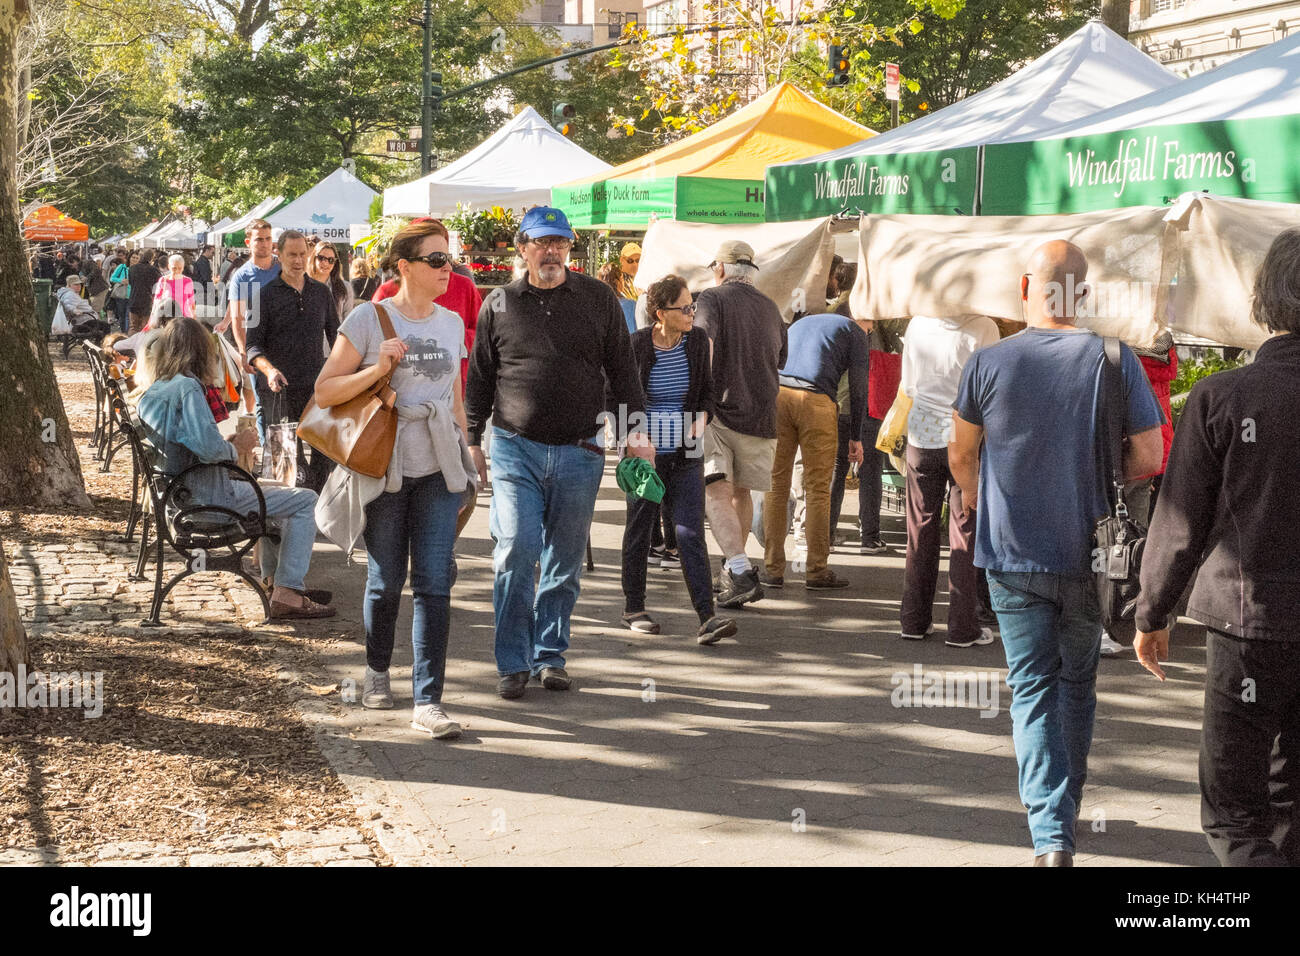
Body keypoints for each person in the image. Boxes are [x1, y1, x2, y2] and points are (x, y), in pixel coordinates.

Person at [949, 240, 1164, 866]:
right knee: (1077, 684)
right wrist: (1101, 482)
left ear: (1025, 287)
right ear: (1084, 293)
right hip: (1092, 557)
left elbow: (961, 455)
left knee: (1032, 689)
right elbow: (1150, 456)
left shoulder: (988, 362)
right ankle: (1064, 819)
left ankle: (1050, 839)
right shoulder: (1114, 358)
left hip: (1010, 554)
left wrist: (980, 501)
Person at [1134, 230, 1300, 866]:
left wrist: (1152, 613)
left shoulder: (1223, 397)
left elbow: (1180, 522)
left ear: (1263, 300)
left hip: (1247, 624)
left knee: (1233, 810)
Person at [465, 206, 652, 701]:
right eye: (541, 242)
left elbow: (623, 371)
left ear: (570, 248)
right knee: (515, 550)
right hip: (513, 448)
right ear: (522, 247)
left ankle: (550, 655)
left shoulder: (598, 299)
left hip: (580, 450)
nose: (551, 252)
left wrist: (636, 433)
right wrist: (471, 441)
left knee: (563, 564)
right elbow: (480, 377)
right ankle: (513, 661)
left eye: (560, 243)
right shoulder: (500, 303)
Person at [315, 218, 477, 740]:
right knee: (385, 582)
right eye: (435, 260)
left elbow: (454, 398)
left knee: (434, 582)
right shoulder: (369, 318)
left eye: (449, 259)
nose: (446, 269)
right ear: (404, 266)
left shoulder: (451, 324)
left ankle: (429, 700)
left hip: (438, 468)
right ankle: (377, 671)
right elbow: (324, 393)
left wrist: (468, 452)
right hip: (382, 467)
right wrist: (375, 367)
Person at [135, 318, 334, 620]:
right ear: (201, 351)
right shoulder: (189, 387)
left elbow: (191, 443)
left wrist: (224, 442)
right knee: (305, 500)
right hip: (207, 500)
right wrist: (236, 446)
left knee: (280, 493)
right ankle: (288, 591)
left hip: (180, 495)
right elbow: (210, 450)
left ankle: (275, 582)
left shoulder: (155, 390)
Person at [620, 275, 736, 645]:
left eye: (693, 307)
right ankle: (633, 608)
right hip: (646, 457)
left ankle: (707, 617)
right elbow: (617, 393)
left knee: (689, 532)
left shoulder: (699, 342)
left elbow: (708, 391)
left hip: (686, 453)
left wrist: (704, 416)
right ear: (660, 313)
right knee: (640, 529)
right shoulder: (637, 345)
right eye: (684, 308)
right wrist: (634, 437)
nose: (691, 313)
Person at [694, 240, 787, 609]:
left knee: (715, 491)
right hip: (762, 414)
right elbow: (781, 357)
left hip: (718, 411)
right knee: (742, 493)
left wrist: (699, 398)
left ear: (720, 269)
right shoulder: (771, 308)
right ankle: (736, 568)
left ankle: (738, 569)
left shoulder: (711, 299)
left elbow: (704, 343)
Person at [899, 313, 1001, 646]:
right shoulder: (984, 327)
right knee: (964, 531)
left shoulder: (918, 324)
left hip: (921, 436)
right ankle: (962, 627)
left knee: (920, 529)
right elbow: (993, 387)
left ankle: (913, 622)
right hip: (966, 438)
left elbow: (909, 385)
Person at [761, 308, 870, 591]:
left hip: (779, 395)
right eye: (871, 323)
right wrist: (856, 436)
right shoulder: (857, 334)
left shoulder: (805, 322)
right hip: (816, 401)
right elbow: (859, 389)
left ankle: (772, 569)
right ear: (863, 318)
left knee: (776, 484)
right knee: (818, 489)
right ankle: (816, 571)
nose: (871, 329)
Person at [1100, 332, 1179, 657]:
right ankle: (1136, 617)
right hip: (1153, 448)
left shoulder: (1115, 352)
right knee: (1136, 542)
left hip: (1120, 450)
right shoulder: (1164, 353)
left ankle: (1104, 622)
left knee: (1105, 541)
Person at [245, 230, 338, 493]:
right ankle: (282, 518)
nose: (298, 260)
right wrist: (269, 369)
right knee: (284, 459)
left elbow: (337, 338)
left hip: (315, 388)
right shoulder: (262, 295)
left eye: (301, 254)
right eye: (291, 255)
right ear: (279, 254)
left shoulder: (321, 294)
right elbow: (252, 347)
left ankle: (315, 507)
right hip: (278, 389)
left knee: (323, 453)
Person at [216, 219, 280, 441]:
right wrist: (244, 353)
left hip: (287, 344)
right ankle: (269, 456)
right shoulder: (242, 275)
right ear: (248, 242)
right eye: (259, 239)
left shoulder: (284, 268)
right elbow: (237, 317)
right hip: (259, 349)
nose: (264, 244)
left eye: (268, 239)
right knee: (264, 403)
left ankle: (291, 458)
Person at [55, 275, 111, 340]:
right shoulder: (69, 294)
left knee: (102, 325)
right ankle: (103, 345)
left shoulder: (70, 293)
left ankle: (99, 345)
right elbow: (68, 305)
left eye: (80, 284)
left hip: (82, 321)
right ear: (69, 285)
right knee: (106, 326)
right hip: (81, 323)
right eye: (76, 285)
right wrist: (74, 310)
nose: (79, 286)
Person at [153, 253, 196, 322]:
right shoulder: (163, 280)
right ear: (169, 266)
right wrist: (153, 318)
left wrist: (193, 318)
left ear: (183, 267)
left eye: (180, 268)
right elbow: (156, 300)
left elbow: (191, 302)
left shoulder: (187, 281)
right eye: (174, 268)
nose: (177, 271)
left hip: (183, 318)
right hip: (166, 319)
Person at [127, 249, 161, 333]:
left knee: (133, 327)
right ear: (151, 259)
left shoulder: (132, 269)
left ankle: (132, 344)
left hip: (134, 299)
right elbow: (158, 286)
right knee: (145, 327)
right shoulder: (154, 270)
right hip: (147, 301)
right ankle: (142, 345)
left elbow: (131, 283)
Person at [108, 251, 135, 334]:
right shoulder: (122, 267)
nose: (134, 259)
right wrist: (121, 280)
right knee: (122, 316)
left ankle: (126, 334)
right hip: (121, 295)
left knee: (128, 316)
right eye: (133, 257)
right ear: (129, 258)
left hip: (132, 295)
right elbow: (112, 278)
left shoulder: (138, 268)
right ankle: (123, 332)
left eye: (137, 258)